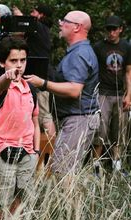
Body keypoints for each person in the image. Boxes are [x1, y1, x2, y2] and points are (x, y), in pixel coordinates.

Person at [24, 10, 100, 178]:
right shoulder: (77, 51)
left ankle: (74, 205)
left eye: (65, 21)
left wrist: (42, 83)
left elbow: (74, 90)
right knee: (63, 169)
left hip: (79, 118)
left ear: (77, 27)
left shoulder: (79, 54)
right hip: (76, 118)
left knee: (62, 170)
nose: (60, 23)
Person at [0, 36, 40, 220]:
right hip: (1, 152)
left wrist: (35, 151)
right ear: (2, 62)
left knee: (20, 204)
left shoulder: (30, 88)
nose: (18, 66)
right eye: (13, 61)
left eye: (22, 60)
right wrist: (7, 77)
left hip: (26, 153)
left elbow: (35, 121)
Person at [92, 15, 131, 175]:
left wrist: (129, 95)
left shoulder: (126, 46)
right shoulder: (98, 47)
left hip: (120, 93)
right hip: (103, 93)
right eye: (108, 29)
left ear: (120, 29)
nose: (111, 32)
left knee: (119, 131)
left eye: (114, 29)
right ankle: (95, 167)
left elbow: (128, 72)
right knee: (100, 130)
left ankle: (117, 167)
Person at [13, 4, 56, 140]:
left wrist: (15, 8)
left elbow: (22, 19)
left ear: (41, 15)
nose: (31, 14)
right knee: (37, 115)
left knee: (45, 115)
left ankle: (53, 149)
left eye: (33, 11)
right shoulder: (39, 30)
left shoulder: (38, 26)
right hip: (35, 76)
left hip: (40, 77)